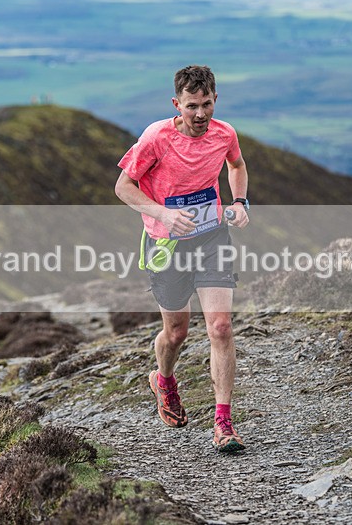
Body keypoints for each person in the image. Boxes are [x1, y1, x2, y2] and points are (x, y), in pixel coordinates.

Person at [114, 65, 250, 453]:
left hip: (211, 237)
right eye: (192, 106)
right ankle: (165, 380)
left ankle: (223, 423)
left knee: (221, 328)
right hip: (167, 244)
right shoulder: (156, 137)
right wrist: (162, 213)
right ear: (177, 104)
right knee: (176, 333)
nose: (201, 114)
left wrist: (239, 202)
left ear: (215, 100)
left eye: (207, 104)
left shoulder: (225, 134)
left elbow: (236, 166)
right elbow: (123, 186)